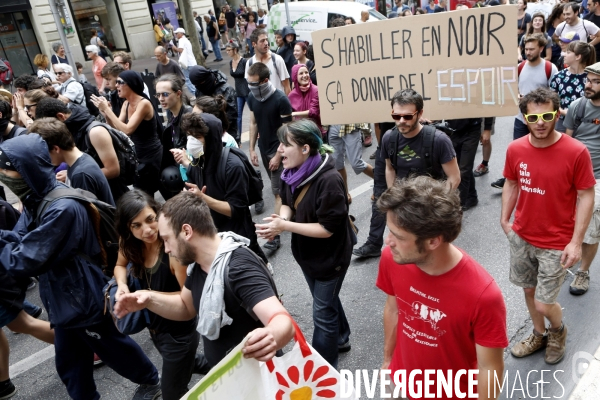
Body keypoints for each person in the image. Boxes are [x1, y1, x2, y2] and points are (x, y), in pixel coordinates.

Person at [0, 134, 162, 400]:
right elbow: (20, 239)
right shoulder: (37, 199)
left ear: (25, 169)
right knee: (70, 362)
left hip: (82, 295)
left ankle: (152, 382)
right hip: (63, 296)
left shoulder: (62, 208)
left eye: (5, 170)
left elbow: (25, 258)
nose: (2, 176)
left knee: (111, 346)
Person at [113, 191, 295, 372]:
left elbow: (281, 319)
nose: (166, 249)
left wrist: (272, 335)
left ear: (186, 231)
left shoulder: (238, 268)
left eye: (167, 239)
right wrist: (148, 299)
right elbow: (186, 307)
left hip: (262, 376)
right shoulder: (198, 265)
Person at [376, 176, 508, 397]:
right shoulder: (393, 258)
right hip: (399, 381)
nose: (388, 242)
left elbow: (490, 368)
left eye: (398, 236)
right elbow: (393, 308)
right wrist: (388, 361)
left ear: (433, 241)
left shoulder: (483, 296)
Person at [503, 88, 595, 364]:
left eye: (546, 115)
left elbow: (586, 194)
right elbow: (511, 182)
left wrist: (576, 242)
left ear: (556, 114)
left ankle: (558, 331)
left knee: (544, 302)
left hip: (556, 241)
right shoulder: (515, 148)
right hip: (522, 236)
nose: (540, 122)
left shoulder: (576, 151)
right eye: (533, 117)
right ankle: (538, 334)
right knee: (529, 291)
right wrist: (505, 220)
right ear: (525, 117)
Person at [256, 120, 353, 369]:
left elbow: (327, 229)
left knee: (322, 314)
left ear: (306, 149)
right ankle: (341, 337)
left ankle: (324, 370)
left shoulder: (329, 181)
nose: (279, 150)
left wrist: (285, 227)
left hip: (331, 258)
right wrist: (283, 218)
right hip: (308, 256)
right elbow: (288, 202)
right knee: (326, 300)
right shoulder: (292, 172)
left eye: (285, 145)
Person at [353, 89, 460, 259]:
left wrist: (435, 204)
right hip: (405, 209)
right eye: (396, 116)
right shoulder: (389, 138)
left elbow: (454, 177)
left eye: (408, 117)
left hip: (429, 210)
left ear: (420, 113)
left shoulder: (439, 140)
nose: (401, 121)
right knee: (405, 256)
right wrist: (394, 195)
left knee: (431, 256)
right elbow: (389, 168)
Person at [113, 190, 198, 400]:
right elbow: (119, 265)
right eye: (137, 225)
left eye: (150, 220)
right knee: (184, 365)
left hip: (179, 334)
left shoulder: (172, 251)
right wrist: (122, 285)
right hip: (156, 331)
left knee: (172, 392)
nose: (148, 230)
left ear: (158, 213)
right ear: (128, 228)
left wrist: (148, 297)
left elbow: (188, 303)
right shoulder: (130, 243)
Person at [178, 112, 267, 263]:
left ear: (211, 138)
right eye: (189, 135)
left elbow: (236, 209)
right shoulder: (198, 162)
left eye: (197, 137)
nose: (191, 141)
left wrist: (203, 198)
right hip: (213, 237)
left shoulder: (232, 165)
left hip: (239, 240)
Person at [491, 33, 558, 189]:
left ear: (541, 48)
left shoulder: (550, 68)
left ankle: (540, 178)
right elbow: (511, 89)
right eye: (526, 49)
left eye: (532, 49)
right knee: (519, 150)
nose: (528, 52)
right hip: (521, 118)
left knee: (542, 149)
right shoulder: (520, 67)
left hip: (541, 120)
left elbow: (555, 96)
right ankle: (512, 177)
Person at [35, 98, 128, 202]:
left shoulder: (95, 132)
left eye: (51, 124)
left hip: (114, 198)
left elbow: (113, 170)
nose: (50, 129)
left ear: (61, 117)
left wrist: (72, 175)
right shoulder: (72, 129)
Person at [92, 71, 163, 197]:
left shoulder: (144, 103)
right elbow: (117, 129)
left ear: (131, 84)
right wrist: (106, 114)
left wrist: (108, 110)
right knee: (144, 195)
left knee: (163, 190)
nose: (116, 85)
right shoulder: (126, 103)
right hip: (137, 156)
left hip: (151, 155)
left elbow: (128, 130)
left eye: (120, 82)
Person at [563, 61, 600, 295]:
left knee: (591, 226)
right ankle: (570, 251)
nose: (589, 85)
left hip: (598, 178)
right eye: (588, 80)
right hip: (573, 175)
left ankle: (583, 271)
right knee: (567, 220)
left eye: (596, 82)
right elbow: (567, 142)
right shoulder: (578, 106)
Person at [247, 62, 293, 251]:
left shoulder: (281, 99)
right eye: (248, 83)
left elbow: (288, 132)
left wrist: (277, 155)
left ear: (265, 81)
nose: (250, 87)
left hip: (280, 151)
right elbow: (253, 123)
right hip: (264, 149)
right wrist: (251, 148)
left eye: (254, 83)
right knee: (285, 187)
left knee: (277, 192)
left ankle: (274, 236)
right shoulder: (252, 97)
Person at [31, 117, 115, 206]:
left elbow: (88, 214)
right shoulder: (78, 161)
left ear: (56, 149)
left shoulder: (81, 175)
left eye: (44, 152)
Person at [447, 117, 494, 211]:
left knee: (464, 170)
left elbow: (488, 103)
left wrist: (487, 129)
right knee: (459, 166)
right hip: (452, 129)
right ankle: (472, 196)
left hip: (472, 130)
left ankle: (459, 206)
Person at [550, 41, 596, 132]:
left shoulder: (592, 77)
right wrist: (563, 112)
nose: (564, 54)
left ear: (578, 57)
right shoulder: (559, 76)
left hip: (587, 122)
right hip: (562, 122)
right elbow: (551, 100)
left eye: (568, 52)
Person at [189, 66, 239, 143]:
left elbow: (231, 117)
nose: (198, 87)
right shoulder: (199, 90)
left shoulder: (226, 90)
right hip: (208, 134)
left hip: (227, 134)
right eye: (196, 85)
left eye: (200, 83)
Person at [155, 74, 192, 179]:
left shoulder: (189, 116)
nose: (161, 99)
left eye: (165, 94)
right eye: (158, 95)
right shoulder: (172, 114)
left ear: (178, 93)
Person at [246, 29, 291, 95]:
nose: (266, 43)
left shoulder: (277, 60)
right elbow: (250, 88)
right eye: (262, 41)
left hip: (278, 104)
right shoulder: (250, 63)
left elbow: (287, 86)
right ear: (254, 44)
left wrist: (288, 104)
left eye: (266, 40)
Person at [288, 64, 324, 136]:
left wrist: (294, 114)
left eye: (306, 72)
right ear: (295, 77)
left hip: (315, 133)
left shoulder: (316, 90)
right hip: (299, 133)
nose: (305, 75)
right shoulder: (291, 95)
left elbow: (313, 112)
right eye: (301, 73)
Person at [227, 40, 249, 137]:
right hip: (238, 92)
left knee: (254, 113)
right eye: (227, 50)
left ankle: (260, 131)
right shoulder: (230, 62)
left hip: (247, 91)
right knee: (238, 116)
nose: (227, 52)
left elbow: (249, 76)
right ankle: (238, 135)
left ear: (235, 50)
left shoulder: (244, 61)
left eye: (229, 50)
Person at [171, 28, 199, 95]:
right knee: (193, 79)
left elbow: (181, 50)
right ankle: (198, 93)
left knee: (187, 80)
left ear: (181, 33)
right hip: (192, 62)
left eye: (177, 33)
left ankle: (195, 94)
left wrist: (175, 48)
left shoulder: (181, 40)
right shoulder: (186, 40)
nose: (176, 35)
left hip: (187, 63)